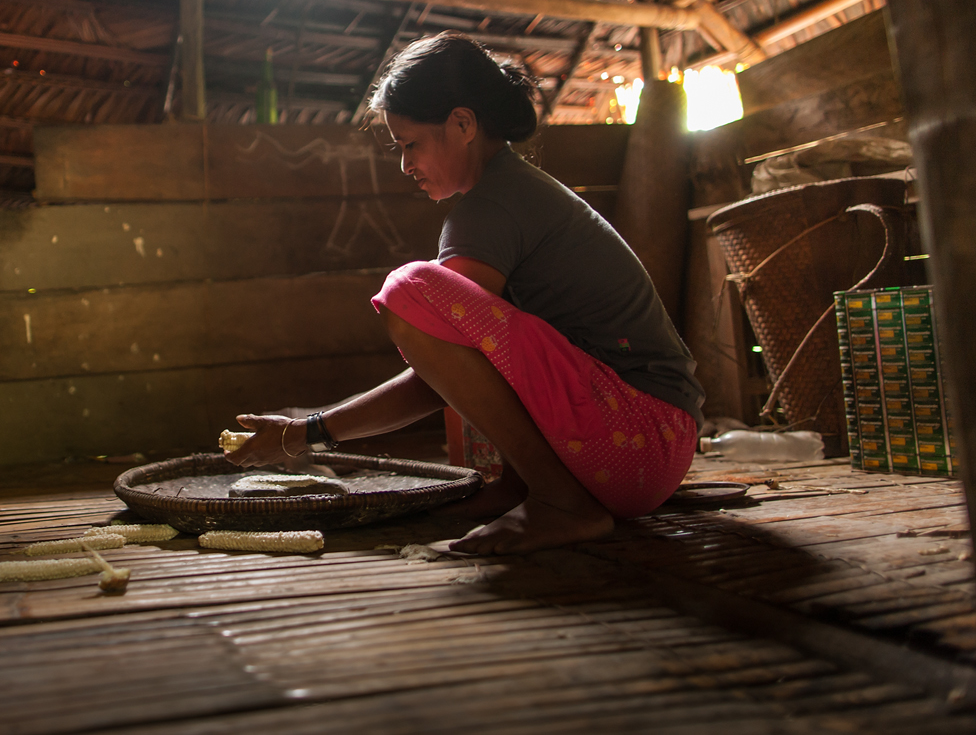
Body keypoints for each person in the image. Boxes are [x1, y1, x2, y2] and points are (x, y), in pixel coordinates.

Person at [225, 32, 704, 555]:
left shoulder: (492, 208)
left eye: (411, 145)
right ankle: (523, 486)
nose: (406, 165)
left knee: (411, 290)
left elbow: (439, 378)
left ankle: (560, 501)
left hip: (639, 438)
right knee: (443, 308)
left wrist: (307, 432)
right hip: (651, 447)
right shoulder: (510, 194)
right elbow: (475, 369)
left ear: (462, 124)